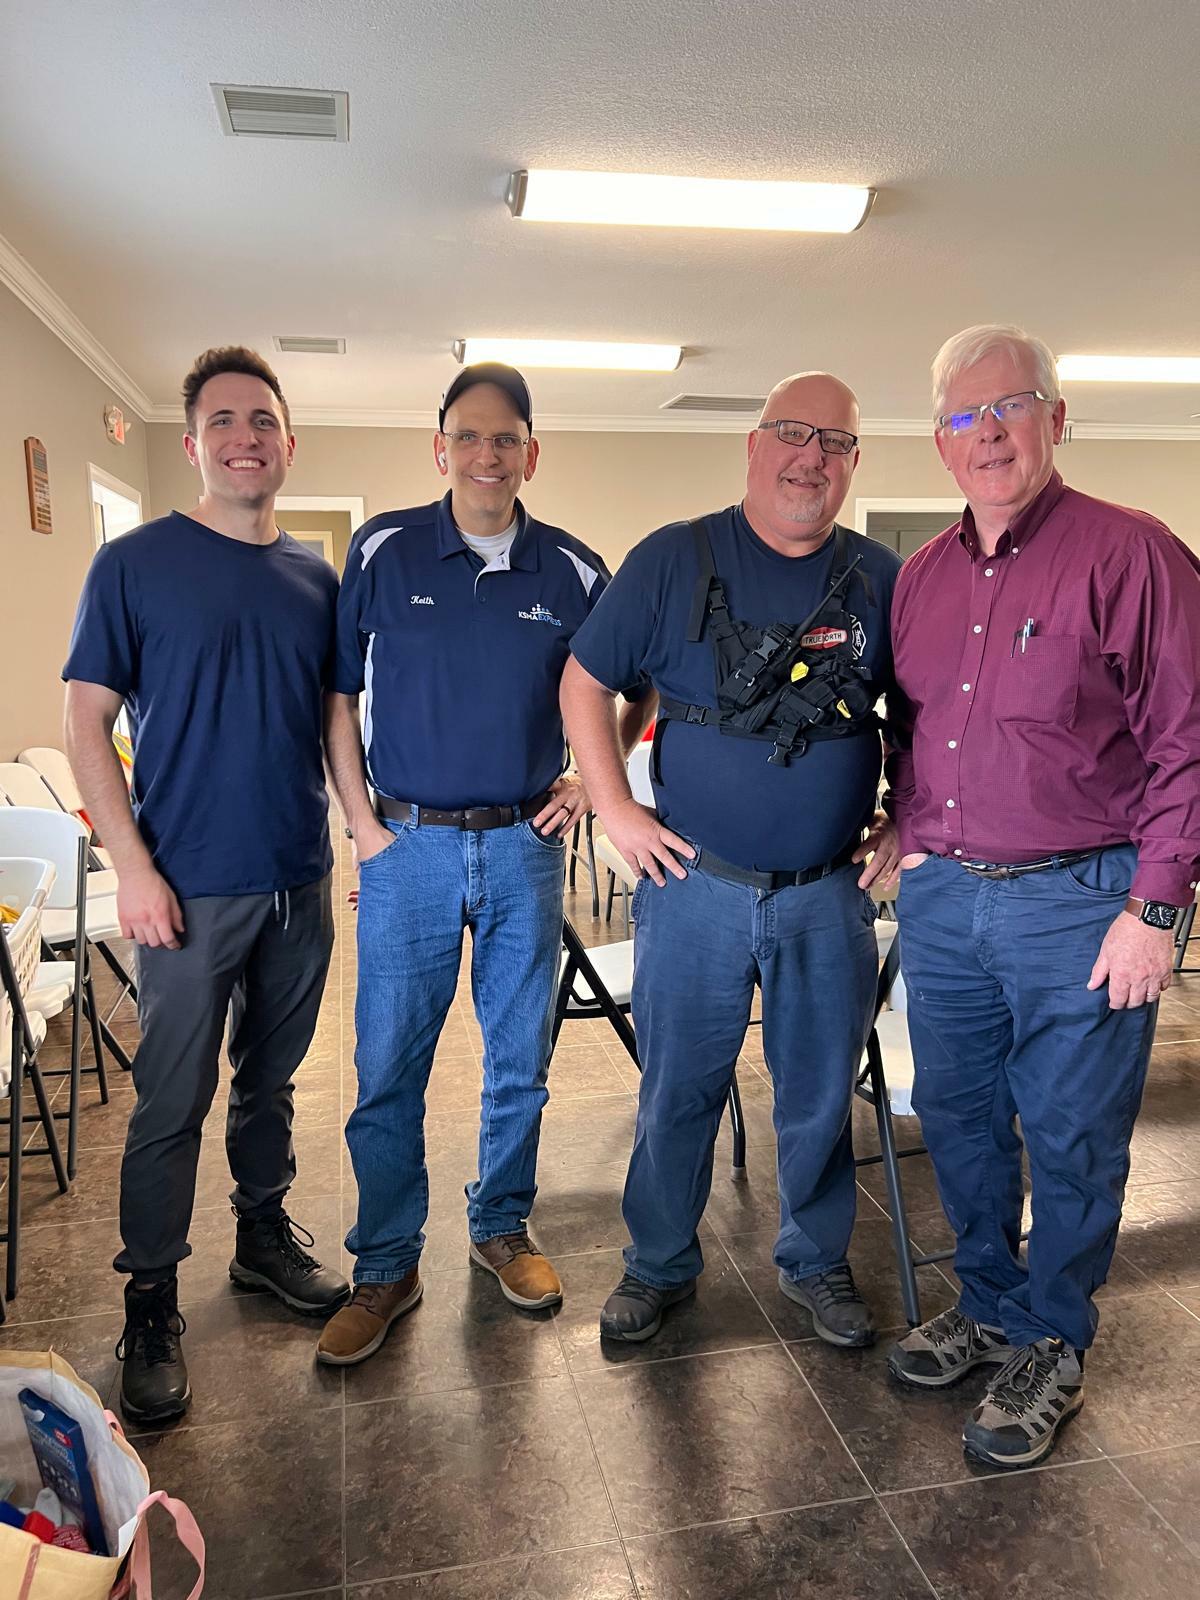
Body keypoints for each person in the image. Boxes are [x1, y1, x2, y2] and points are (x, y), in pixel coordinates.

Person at [885, 323, 1200, 1469]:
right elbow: (911, 731)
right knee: (958, 1116)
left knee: (1071, 1135)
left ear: (1056, 420)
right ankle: (987, 1302)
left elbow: (1188, 740)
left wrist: (1158, 907)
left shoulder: (1134, 554)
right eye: (967, 417)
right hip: (947, 904)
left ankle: (1054, 1336)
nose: (991, 433)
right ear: (940, 444)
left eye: (1011, 406)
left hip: (1085, 902)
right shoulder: (918, 579)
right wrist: (908, 828)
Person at [317, 362, 651, 1366]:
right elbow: (335, 698)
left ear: (531, 454)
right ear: (440, 448)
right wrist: (362, 828)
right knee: (388, 1068)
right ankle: (384, 1262)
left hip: (523, 846)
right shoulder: (381, 549)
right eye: (468, 436)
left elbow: (637, 688)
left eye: (506, 438)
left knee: (520, 1063)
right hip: (406, 845)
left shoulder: (576, 570)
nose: (487, 453)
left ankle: (500, 1224)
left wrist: (591, 785)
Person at [561, 372, 903, 1345]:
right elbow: (586, 679)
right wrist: (615, 805)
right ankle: (658, 1262)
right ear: (754, 445)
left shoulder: (880, 575)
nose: (812, 457)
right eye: (794, 434)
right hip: (694, 887)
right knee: (677, 1087)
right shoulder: (675, 559)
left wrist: (909, 813)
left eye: (835, 442)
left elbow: (929, 712)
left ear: (853, 462)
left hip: (828, 893)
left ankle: (816, 1260)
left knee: (819, 1091)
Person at [64, 347, 349, 1425]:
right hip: (183, 892)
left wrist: (356, 833)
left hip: (296, 879)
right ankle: (149, 1300)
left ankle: (261, 1238)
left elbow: (331, 724)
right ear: (192, 442)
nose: (245, 436)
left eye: (262, 420)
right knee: (170, 1102)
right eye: (223, 420)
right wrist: (131, 867)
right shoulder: (134, 565)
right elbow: (86, 720)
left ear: (287, 440)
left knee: (272, 1082)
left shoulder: (317, 579)